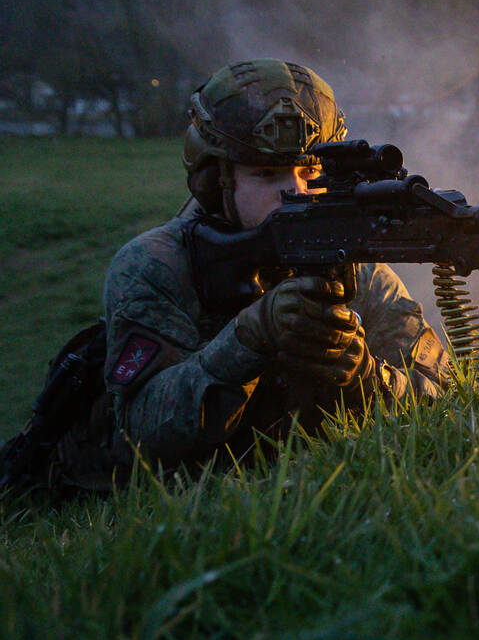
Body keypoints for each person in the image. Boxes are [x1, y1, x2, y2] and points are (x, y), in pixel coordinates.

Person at [49, 58, 449, 492]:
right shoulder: (157, 265)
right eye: (265, 173)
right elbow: (138, 435)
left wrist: (364, 375)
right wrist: (249, 339)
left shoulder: (355, 263)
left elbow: (441, 394)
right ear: (213, 181)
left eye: (310, 171)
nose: (296, 191)